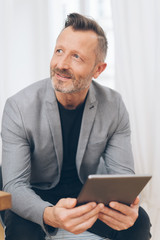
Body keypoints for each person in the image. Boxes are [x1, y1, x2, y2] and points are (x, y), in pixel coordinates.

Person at [1, 13, 151, 240]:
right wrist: (49, 214)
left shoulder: (114, 105)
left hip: (85, 196)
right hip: (34, 193)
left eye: (76, 57)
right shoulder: (18, 107)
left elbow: (122, 176)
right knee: (21, 231)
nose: (61, 64)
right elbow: (15, 185)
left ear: (98, 70)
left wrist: (126, 209)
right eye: (59, 51)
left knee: (139, 222)